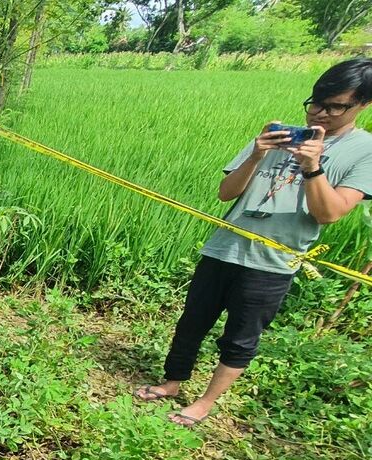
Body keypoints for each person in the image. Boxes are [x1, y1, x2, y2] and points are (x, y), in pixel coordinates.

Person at [135, 58, 372, 426]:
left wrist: (313, 165)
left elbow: (330, 213)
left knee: (240, 337)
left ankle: (205, 403)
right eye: (315, 103)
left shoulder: (364, 151)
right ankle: (171, 383)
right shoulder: (276, 138)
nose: (320, 114)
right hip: (223, 248)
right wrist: (258, 154)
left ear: (363, 104)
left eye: (334, 106)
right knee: (192, 322)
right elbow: (226, 193)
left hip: (272, 263)